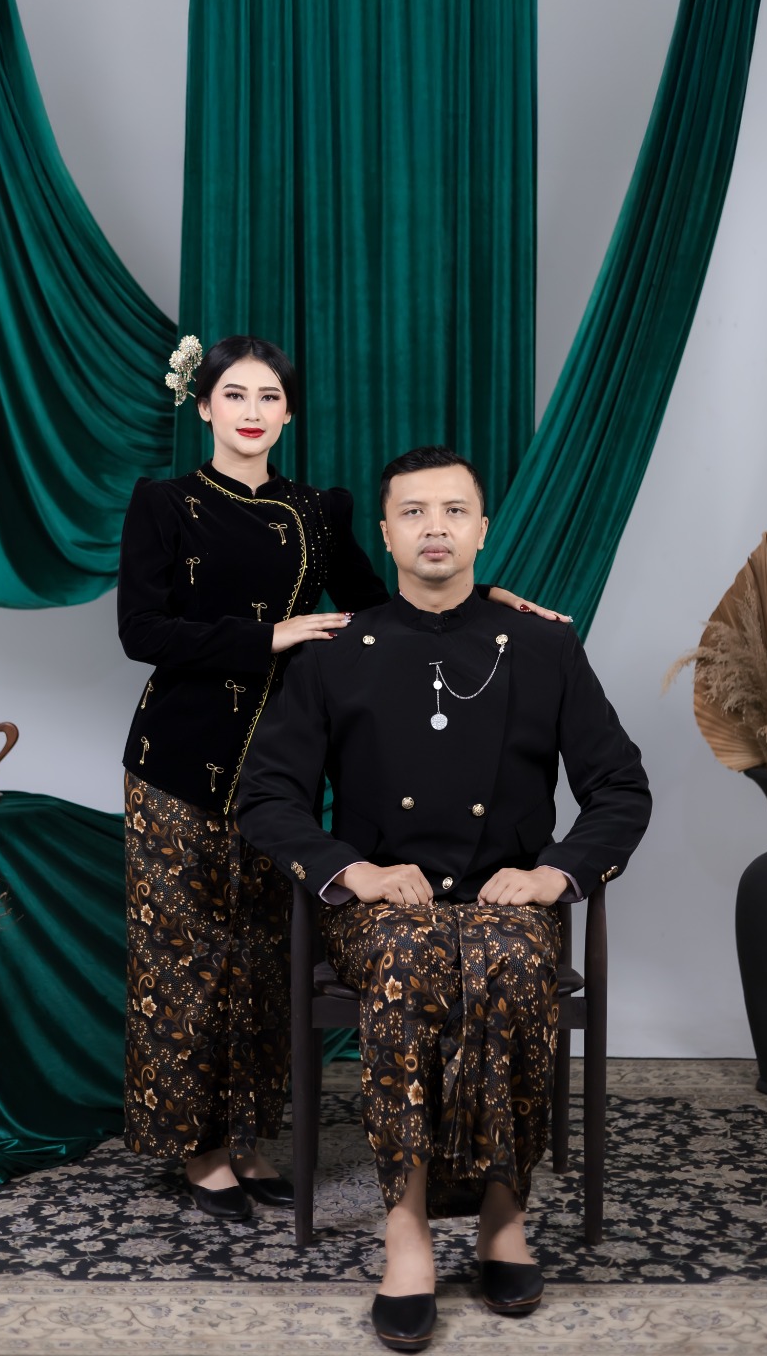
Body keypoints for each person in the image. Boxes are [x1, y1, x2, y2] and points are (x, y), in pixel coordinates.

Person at [118, 342, 559, 1223]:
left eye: (268, 396)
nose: (251, 411)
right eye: (234, 394)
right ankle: (199, 1151)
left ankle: (250, 1141)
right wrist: (269, 637)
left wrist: (488, 598)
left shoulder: (315, 511)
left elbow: (380, 603)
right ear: (204, 408)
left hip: (280, 770)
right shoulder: (165, 504)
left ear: (289, 413)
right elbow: (142, 631)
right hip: (178, 764)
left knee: (264, 963)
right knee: (186, 963)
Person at [238, 445, 651, 1347]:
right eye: (414, 512)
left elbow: (620, 787)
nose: (435, 528)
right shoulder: (335, 654)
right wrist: (351, 872)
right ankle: (408, 1226)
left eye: (454, 511)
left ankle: (504, 1214)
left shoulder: (544, 645)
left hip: (508, 903)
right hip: (382, 911)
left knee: (506, 954)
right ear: (386, 536)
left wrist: (555, 874)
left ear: (482, 531)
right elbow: (267, 795)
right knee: (411, 951)